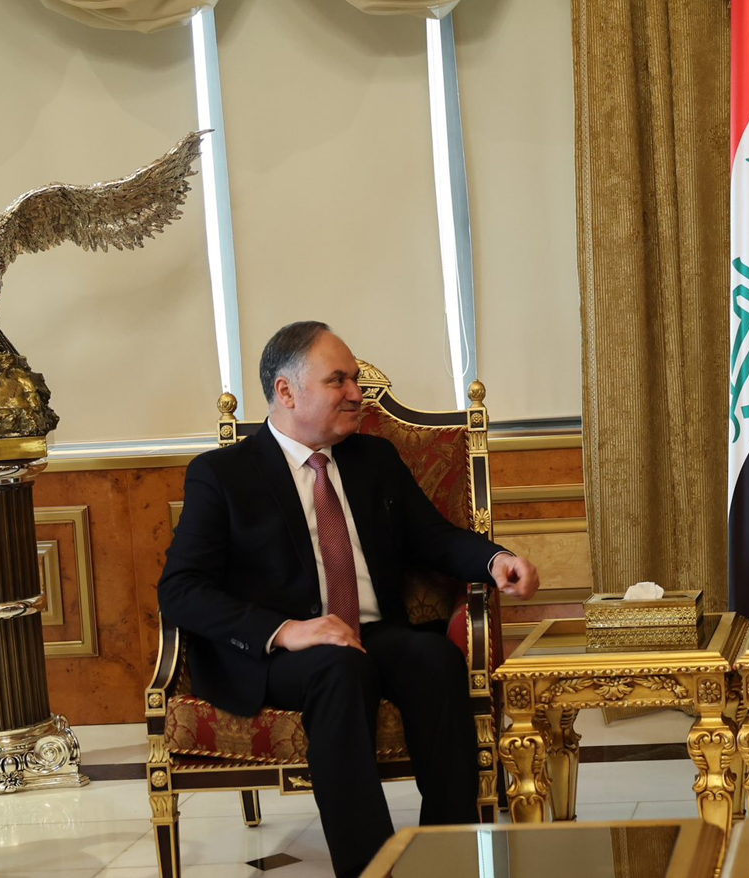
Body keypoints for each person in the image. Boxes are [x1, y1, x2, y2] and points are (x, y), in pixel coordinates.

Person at [158, 321, 539, 878]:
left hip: (371, 632)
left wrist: (494, 560)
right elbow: (180, 589)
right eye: (338, 380)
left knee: (434, 659)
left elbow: (432, 537)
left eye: (354, 379)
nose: (358, 394)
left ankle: (448, 854)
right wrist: (286, 631)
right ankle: (371, 868)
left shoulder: (373, 459)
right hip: (281, 650)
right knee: (339, 670)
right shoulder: (222, 475)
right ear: (287, 392)